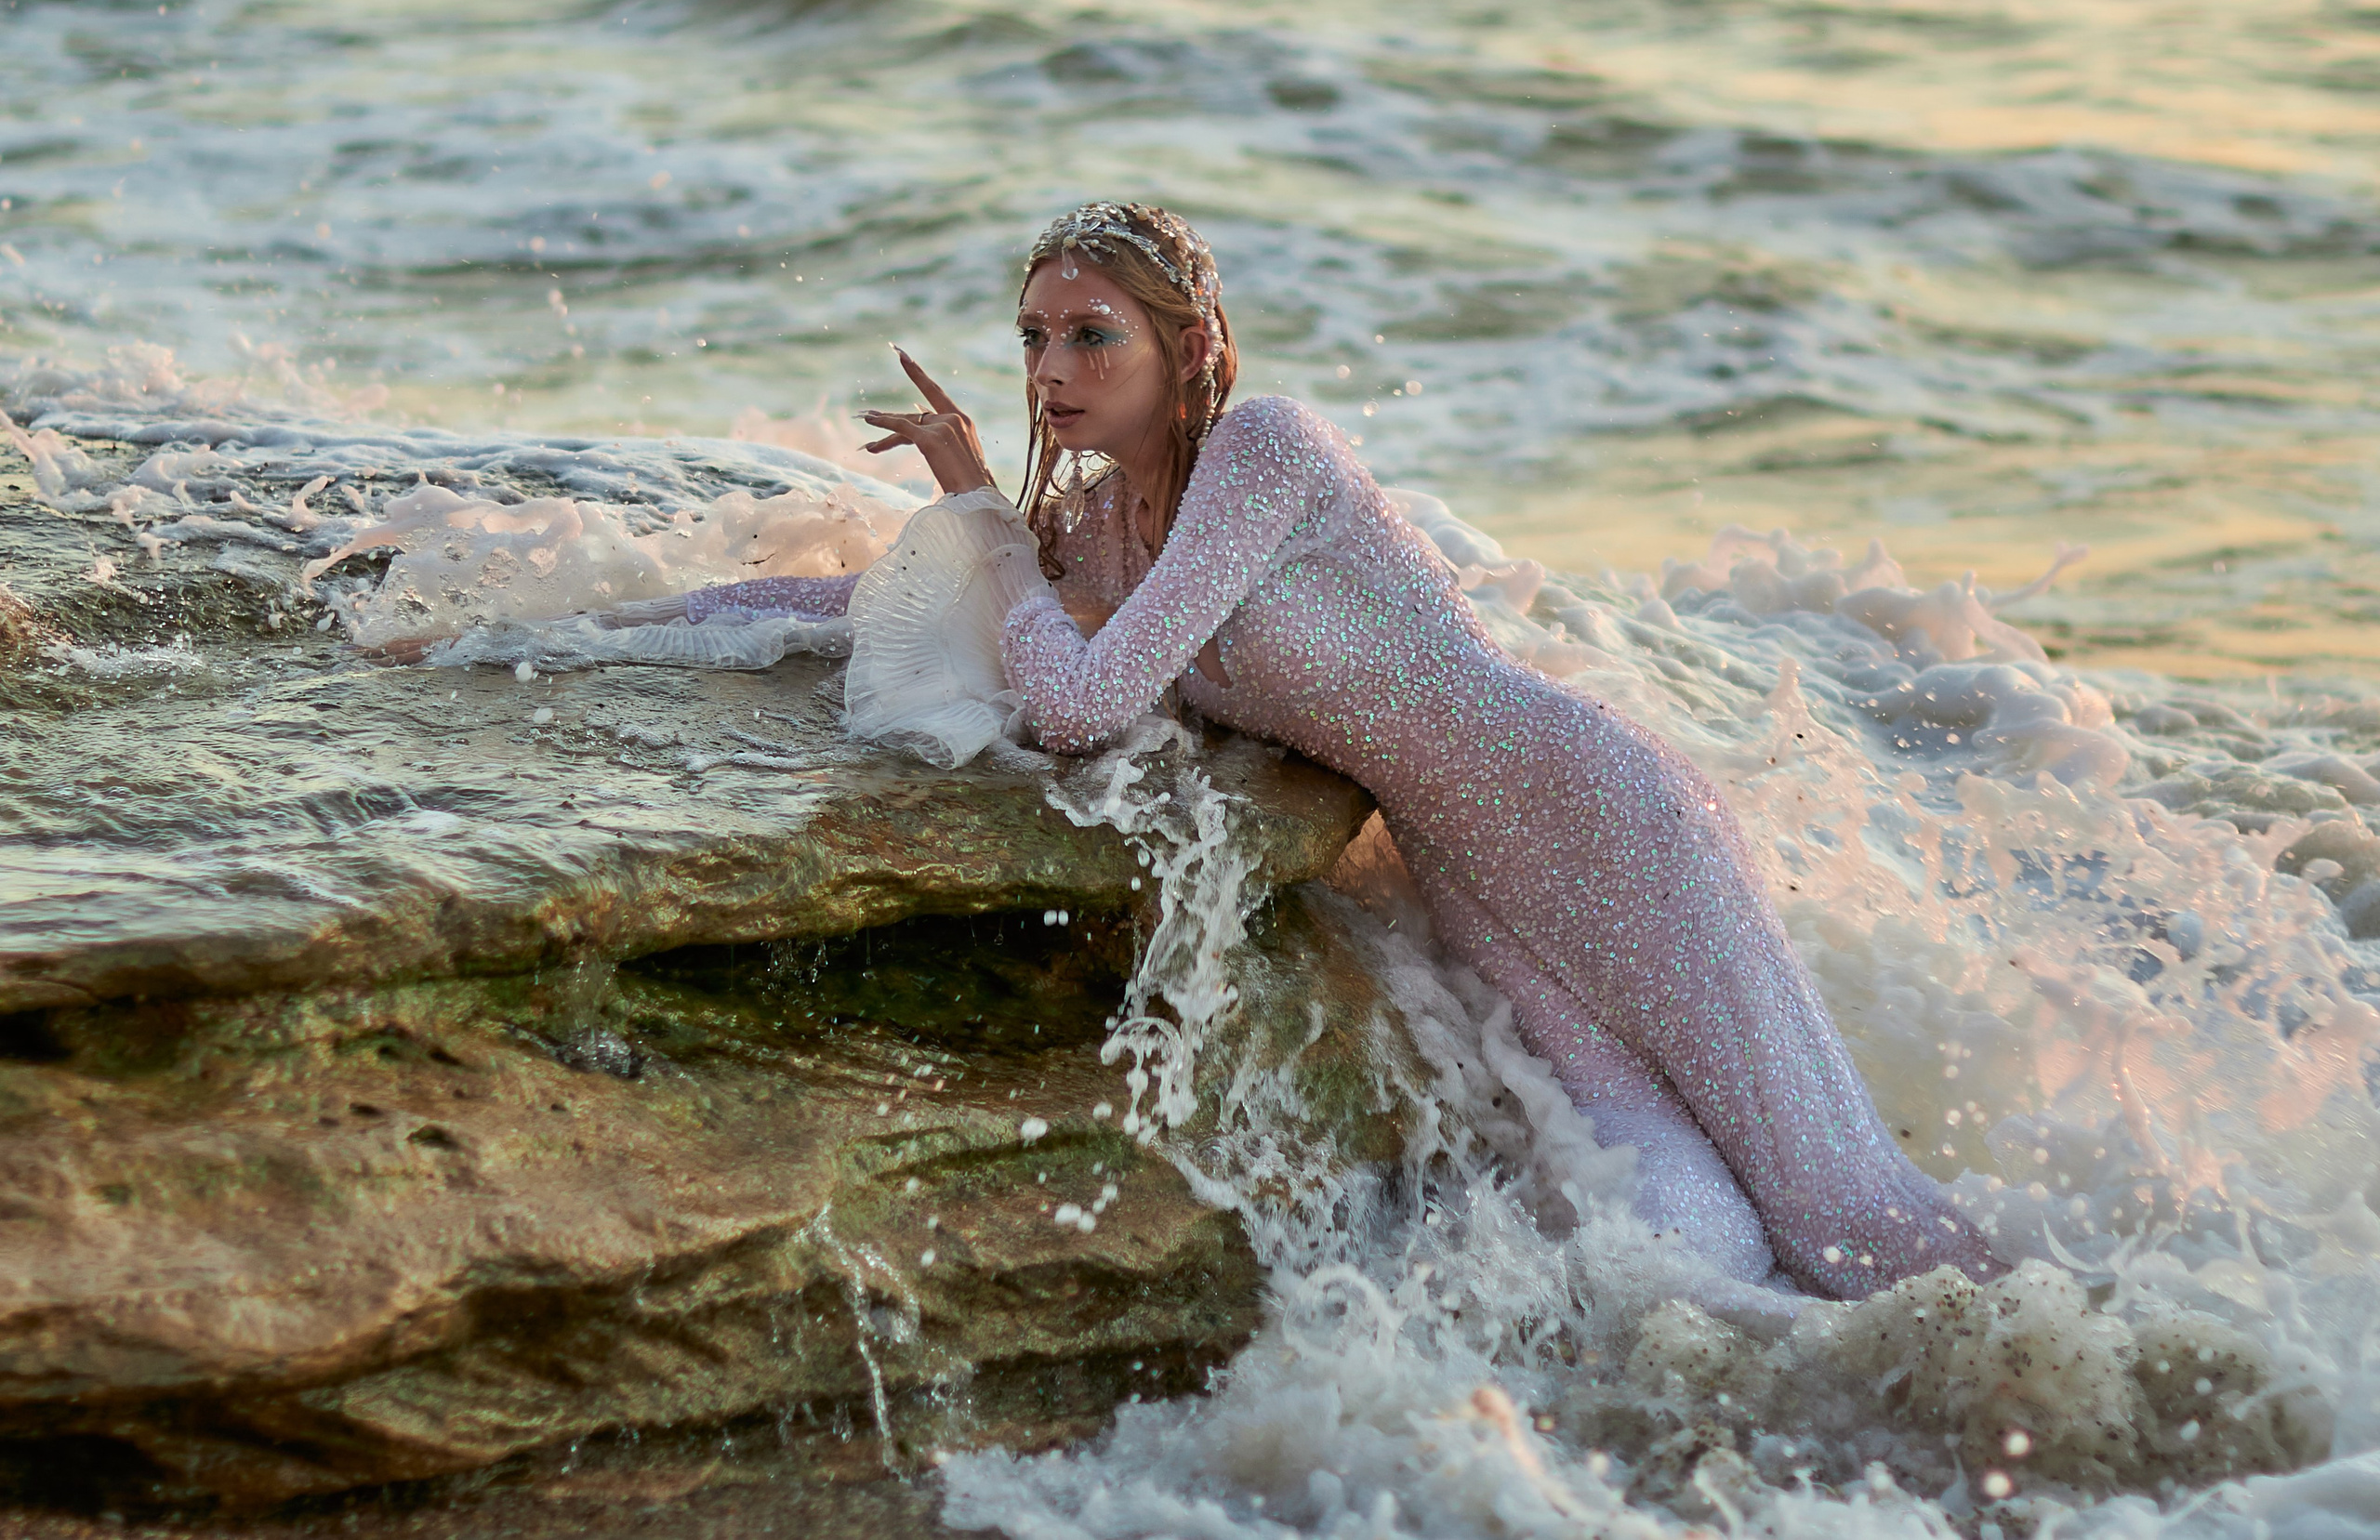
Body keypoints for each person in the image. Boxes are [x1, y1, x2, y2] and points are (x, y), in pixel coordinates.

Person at [654, 201, 2004, 1301]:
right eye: (1032, 338)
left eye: (1092, 336)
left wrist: (982, 519)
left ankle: (2166, 1376)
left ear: (1188, 352)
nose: (1050, 372)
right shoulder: (1102, 532)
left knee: (1847, 1213)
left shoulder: (1266, 451)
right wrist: (590, 627)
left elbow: (1080, 703)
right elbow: (869, 603)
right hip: (1467, 875)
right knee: (1664, 1221)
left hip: (1593, 817)